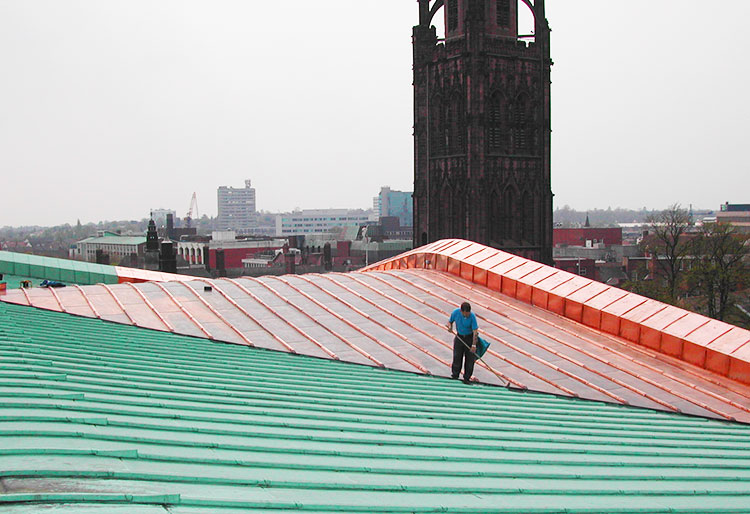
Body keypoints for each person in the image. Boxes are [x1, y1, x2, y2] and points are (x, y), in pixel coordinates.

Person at [447, 301, 478, 383]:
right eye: (466, 313)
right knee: (457, 356)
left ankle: (467, 378)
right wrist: (450, 327)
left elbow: (475, 331)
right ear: (462, 311)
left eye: (468, 313)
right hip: (459, 337)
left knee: (469, 359)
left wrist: (474, 345)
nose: (467, 315)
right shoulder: (456, 312)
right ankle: (455, 375)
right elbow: (449, 321)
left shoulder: (472, 316)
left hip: (469, 338)